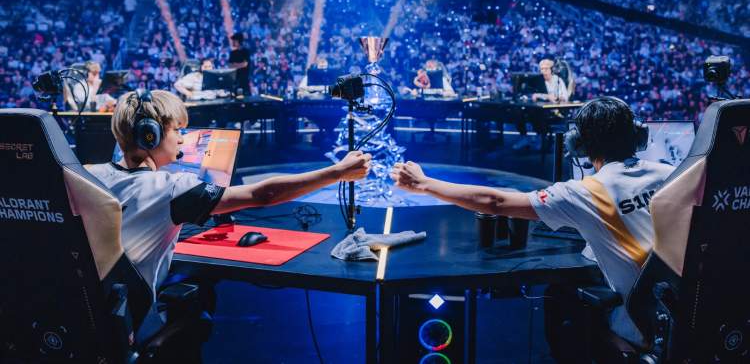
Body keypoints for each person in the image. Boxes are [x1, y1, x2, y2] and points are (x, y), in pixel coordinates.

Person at [390, 97, 674, 362]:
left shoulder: (587, 193)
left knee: (561, 299)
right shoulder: (671, 174)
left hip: (643, 331)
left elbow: (496, 202)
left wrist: (425, 184)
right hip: (685, 316)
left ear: (580, 145)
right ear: (637, 134)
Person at [86, 89, 371, 343]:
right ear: (151, 135)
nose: (182, 138)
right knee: (199, 296)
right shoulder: (171, 188)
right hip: (128, 326)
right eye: (177, 130)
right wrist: (337, 172)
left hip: (86, 321)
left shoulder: (87, 176)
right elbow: (263, 195)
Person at [512, 58, 572, 150]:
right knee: (518, 112)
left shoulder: (558, 81)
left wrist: (555, 98)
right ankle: (524, 138)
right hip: (538, 109)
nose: (543, 71)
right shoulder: (537, 80)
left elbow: (564, 98)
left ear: (552, 69)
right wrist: (546, 96)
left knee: (538, 114)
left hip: (555, 111)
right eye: (542, 69)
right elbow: (531, 95)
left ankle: (541, 138)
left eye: (546, 69)